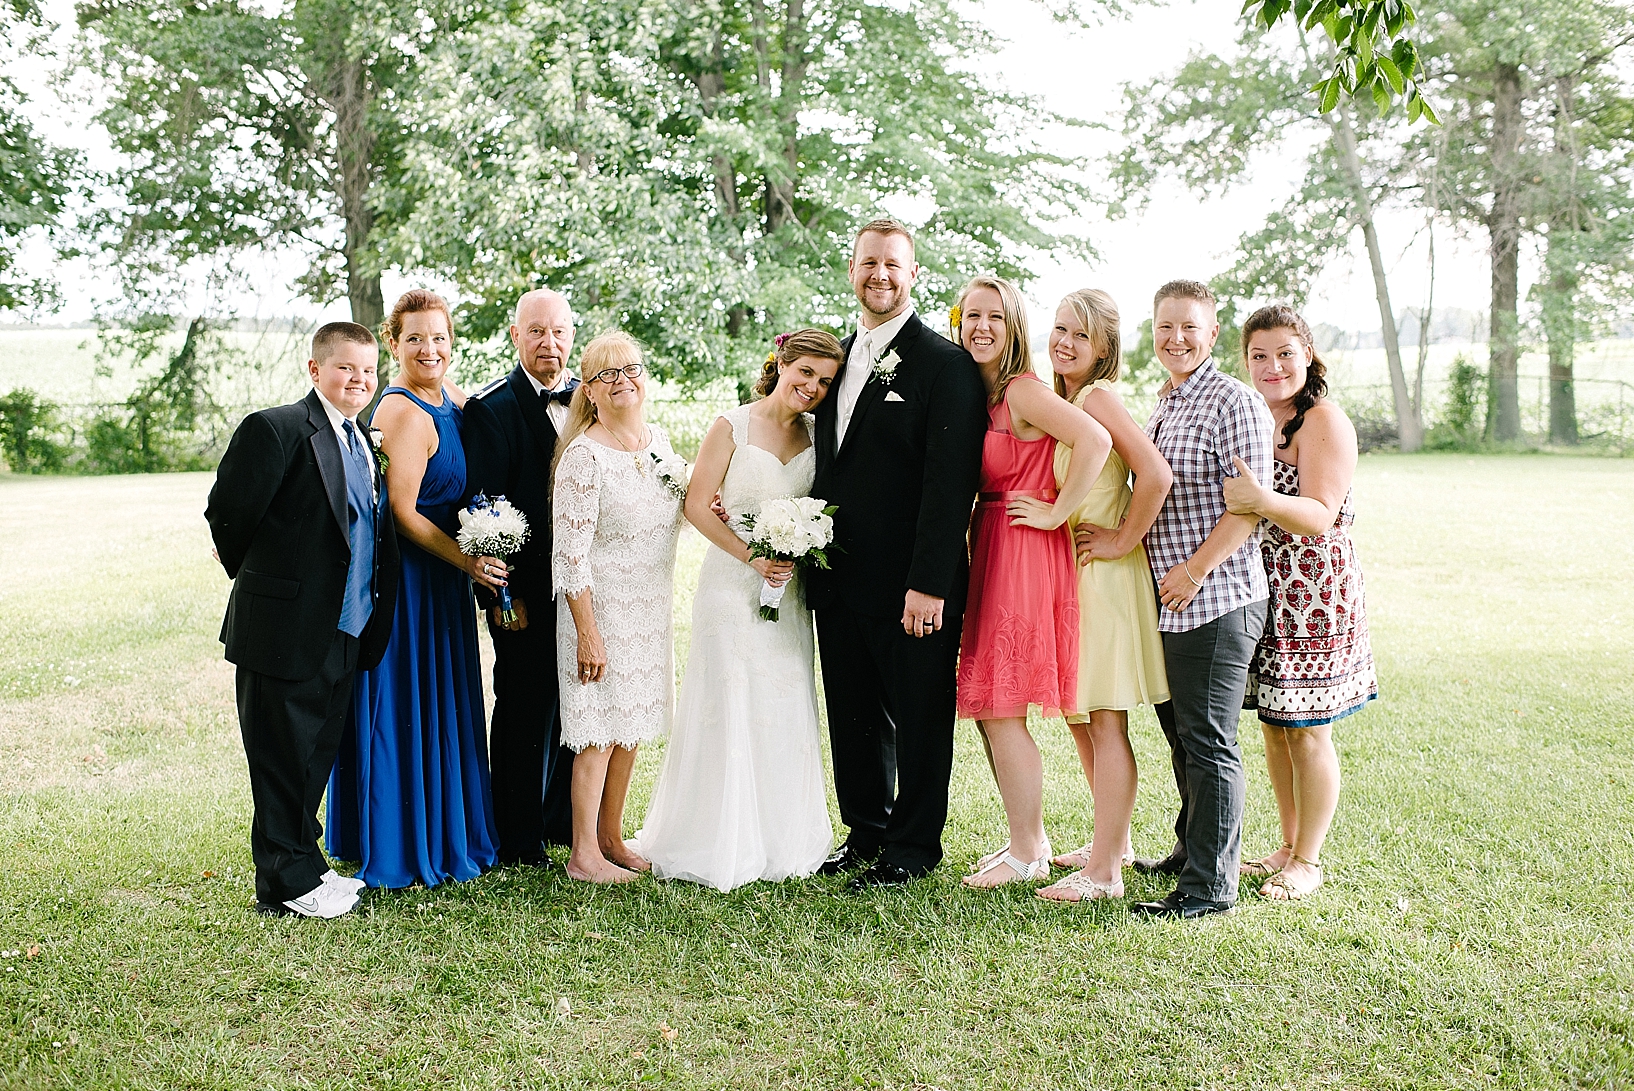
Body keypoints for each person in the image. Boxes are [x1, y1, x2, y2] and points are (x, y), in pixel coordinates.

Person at [808, 218, 988, 889]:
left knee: (917, 715)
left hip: (913, 583)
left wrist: (930, 583)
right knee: (852, 713)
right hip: (841, 575)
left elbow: (950, 486)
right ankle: (867, 829)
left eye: (893, 265)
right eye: (868, 263)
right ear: (851, 269)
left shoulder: (945, 366)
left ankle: (912, 847)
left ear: (913, 275)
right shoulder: (834, 356)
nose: (879, 275)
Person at [637, 330, 844, 891]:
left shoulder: (819, 434)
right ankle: (718, 836)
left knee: (781, 698)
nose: (813, 388)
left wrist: (797, 548)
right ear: (780, 364)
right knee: (729, 698)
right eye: (805, 373)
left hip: (787, 591)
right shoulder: (733, 425)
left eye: (825, 381)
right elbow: (698, 504)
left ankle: (782, 837)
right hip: (732, 585)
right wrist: (752, 556)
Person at [205, 321, 400, 918]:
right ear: (315, 370)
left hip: (346, 627)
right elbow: (228, 514)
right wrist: (272, 590)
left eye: (368, 371)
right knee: (280, 757)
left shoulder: (365, 440)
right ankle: (284, 884)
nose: (359, 380)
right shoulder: (278, 428)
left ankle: (306, 867)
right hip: (284, 631)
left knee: (313, 753)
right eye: (346, 368)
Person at [325, 290, 503, 889]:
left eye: (440, 338)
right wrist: (468, 560)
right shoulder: (401, 411)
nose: (430, 349)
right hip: (413, 583)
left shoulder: (451, 398)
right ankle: (406, 838)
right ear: (394, 344)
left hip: (447, 586)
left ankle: (445, 824)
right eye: (415, 339)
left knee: (441, 701)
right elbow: (401, 511)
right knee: (406, 702)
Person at [953, 277, 1111, 889]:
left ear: (1013, 325)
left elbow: (1093, 439)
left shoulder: (1021, 389)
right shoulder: (983, 392)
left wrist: (1056, 510)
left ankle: (1027, 852)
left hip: (1022, 544)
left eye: (996, 316)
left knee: (1002, 706)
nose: (982, 327)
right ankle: (1029, 839)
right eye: (972, 316)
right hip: (993, 539)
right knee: (993, 706)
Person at [1127, 279, 1274, 921]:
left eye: (1189, 327)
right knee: (1183, 737)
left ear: (1213, 333)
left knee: (1209, 740)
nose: (1176, 338)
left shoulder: (1233, 402)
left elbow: (1249, 507)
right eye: (1165, 326)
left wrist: (1192, 571)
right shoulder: (1169, 402)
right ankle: (1194, 850)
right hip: (1168, 601)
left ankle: (1211, 886)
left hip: (1215, 598)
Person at [1224, 303, 1377, 902]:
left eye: (1284, 352)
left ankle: (1308, 860)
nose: (1272, 365)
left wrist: (1259, 498)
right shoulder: (1255, 414)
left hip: (1316, 591)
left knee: (1308, 727)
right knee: (1275, 724)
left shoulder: (1324, 420)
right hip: (1262, 586)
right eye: (1259, 355)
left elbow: (1319, 515)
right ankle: (1286, 846)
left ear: (1307, 354)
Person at [1035, 289, 1174, 904]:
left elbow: (1156, 473)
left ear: (1103, 351)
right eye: (1061, 328)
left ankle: (1107, 872)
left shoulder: (1097, 399)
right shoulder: (1062, 400)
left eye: (1081, 336)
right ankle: (1109, 843)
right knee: (1079, 718)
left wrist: (1123, 539)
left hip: (1104, 578)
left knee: (1105, 720)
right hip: (1070, 575)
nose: (1065, 342)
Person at [552, 331, 686, 883]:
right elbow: (569, 556)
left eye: (630, 368)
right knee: (597, 733)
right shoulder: (584, 457)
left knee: (629, 730)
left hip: (648, 610)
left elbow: (687, 501)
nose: (621, 380)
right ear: (590, 390)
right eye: (606, 374)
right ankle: (583, 853)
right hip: (599, 613)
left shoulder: (657, 442)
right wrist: (588, 632)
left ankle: (612, 837)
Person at [462, 288, 581, 868]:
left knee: (574, 706)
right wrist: (503, 596)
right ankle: (516, 837)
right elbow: (483, 507)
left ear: (572, 337)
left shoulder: (591, 398)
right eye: (536, 331)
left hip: (583, 586)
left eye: (558, 332)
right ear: (515, 337)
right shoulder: (490, 407)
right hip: (523, 590)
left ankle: (562, 819)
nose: (548, 343)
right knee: (522, 705)